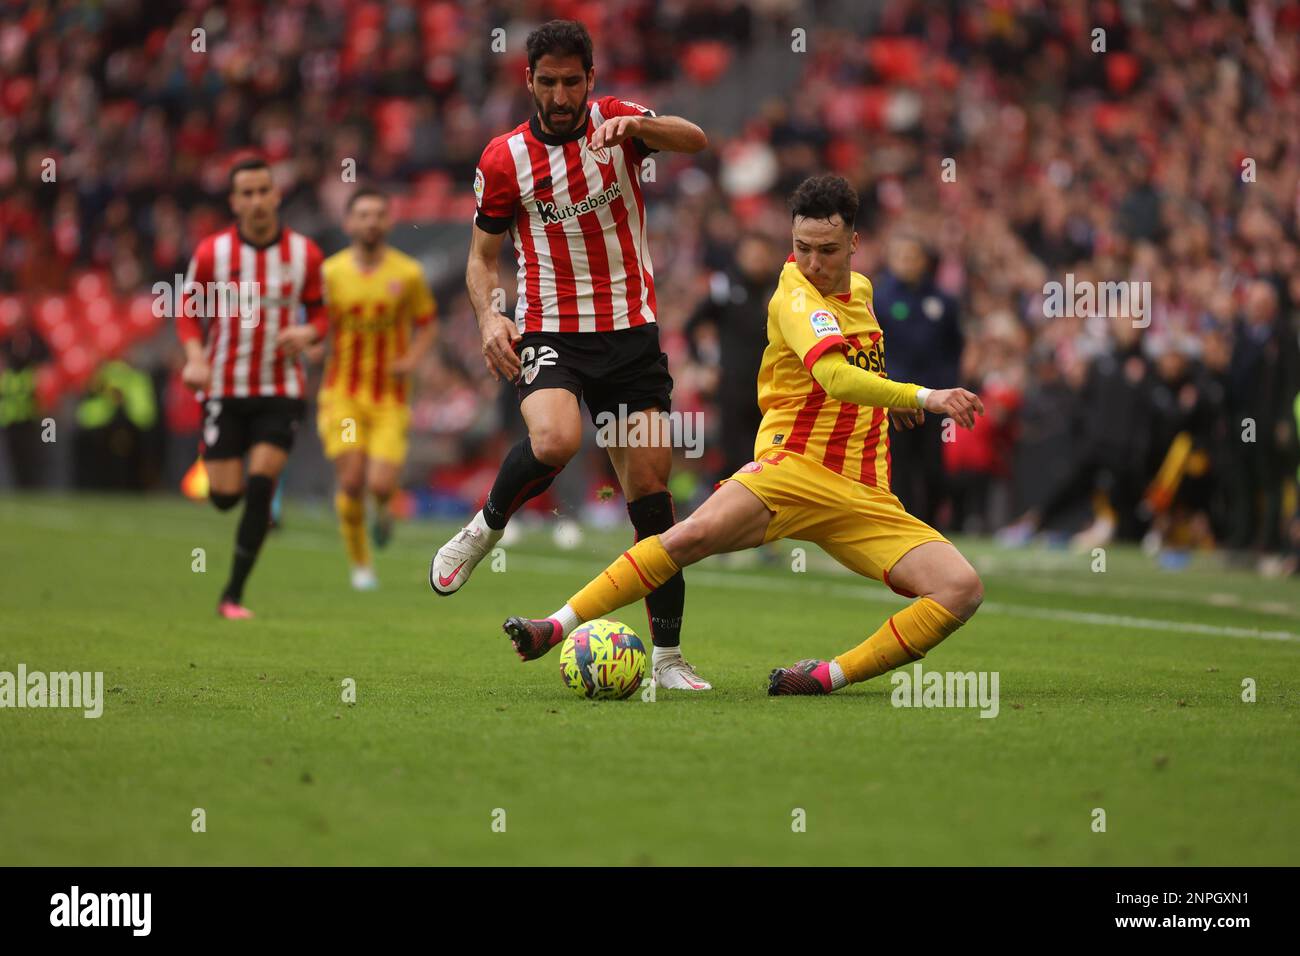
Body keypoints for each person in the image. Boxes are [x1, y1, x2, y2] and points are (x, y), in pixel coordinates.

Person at [501, 174, 986, 695]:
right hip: (792, 471)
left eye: (827, 250)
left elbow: (855, 372)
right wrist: (922, 396)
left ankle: (825, 677)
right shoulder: (795, 297)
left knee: (961, 588)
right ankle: (554, 625)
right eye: (802, 248)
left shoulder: (863, 291)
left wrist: (887, 395)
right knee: (687, 537)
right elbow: (834, 376)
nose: (813, 263)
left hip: (864, 493)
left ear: (854, 244)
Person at [428, 19, 714, 691]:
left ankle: (669, 659)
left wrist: (643, 130)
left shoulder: (618, 120)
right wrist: (486, 317)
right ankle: (484, 528)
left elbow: (695, 140)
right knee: (555, 440)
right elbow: (481, 257)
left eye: (572, 82)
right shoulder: (504, 159)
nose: (560, 95)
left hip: (631, 334)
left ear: (591, 78)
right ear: (529, 81)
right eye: (548, 82)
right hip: (552, 332)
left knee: (650, 499)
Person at [178, 157, 327, 619]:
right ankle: (229, 487)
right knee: (225, 495)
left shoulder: (304, 254)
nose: (257, 200)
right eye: (247, 193)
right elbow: (186, 310)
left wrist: (307, 334)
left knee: (262, 485)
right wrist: (196, 358)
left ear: (276, 195)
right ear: (234, 201)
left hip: (281, 389)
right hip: (224, 386)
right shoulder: (212, 253)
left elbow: (321, 313)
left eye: (264, 190)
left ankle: (233, 595)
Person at [317, 187, 437, 589]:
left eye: (378, 214)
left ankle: (383, 512)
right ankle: (361, 564)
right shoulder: (331, 274)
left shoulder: (407, 274)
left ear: (388, 222)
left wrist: (413, 359)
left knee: (381, 485)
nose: (370, 222)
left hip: (389, 399)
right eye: (362, 215)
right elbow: (317, 323)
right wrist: (313, 343)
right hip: (344, 396)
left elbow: (427, 323)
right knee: (352, 481)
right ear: (349, 223)